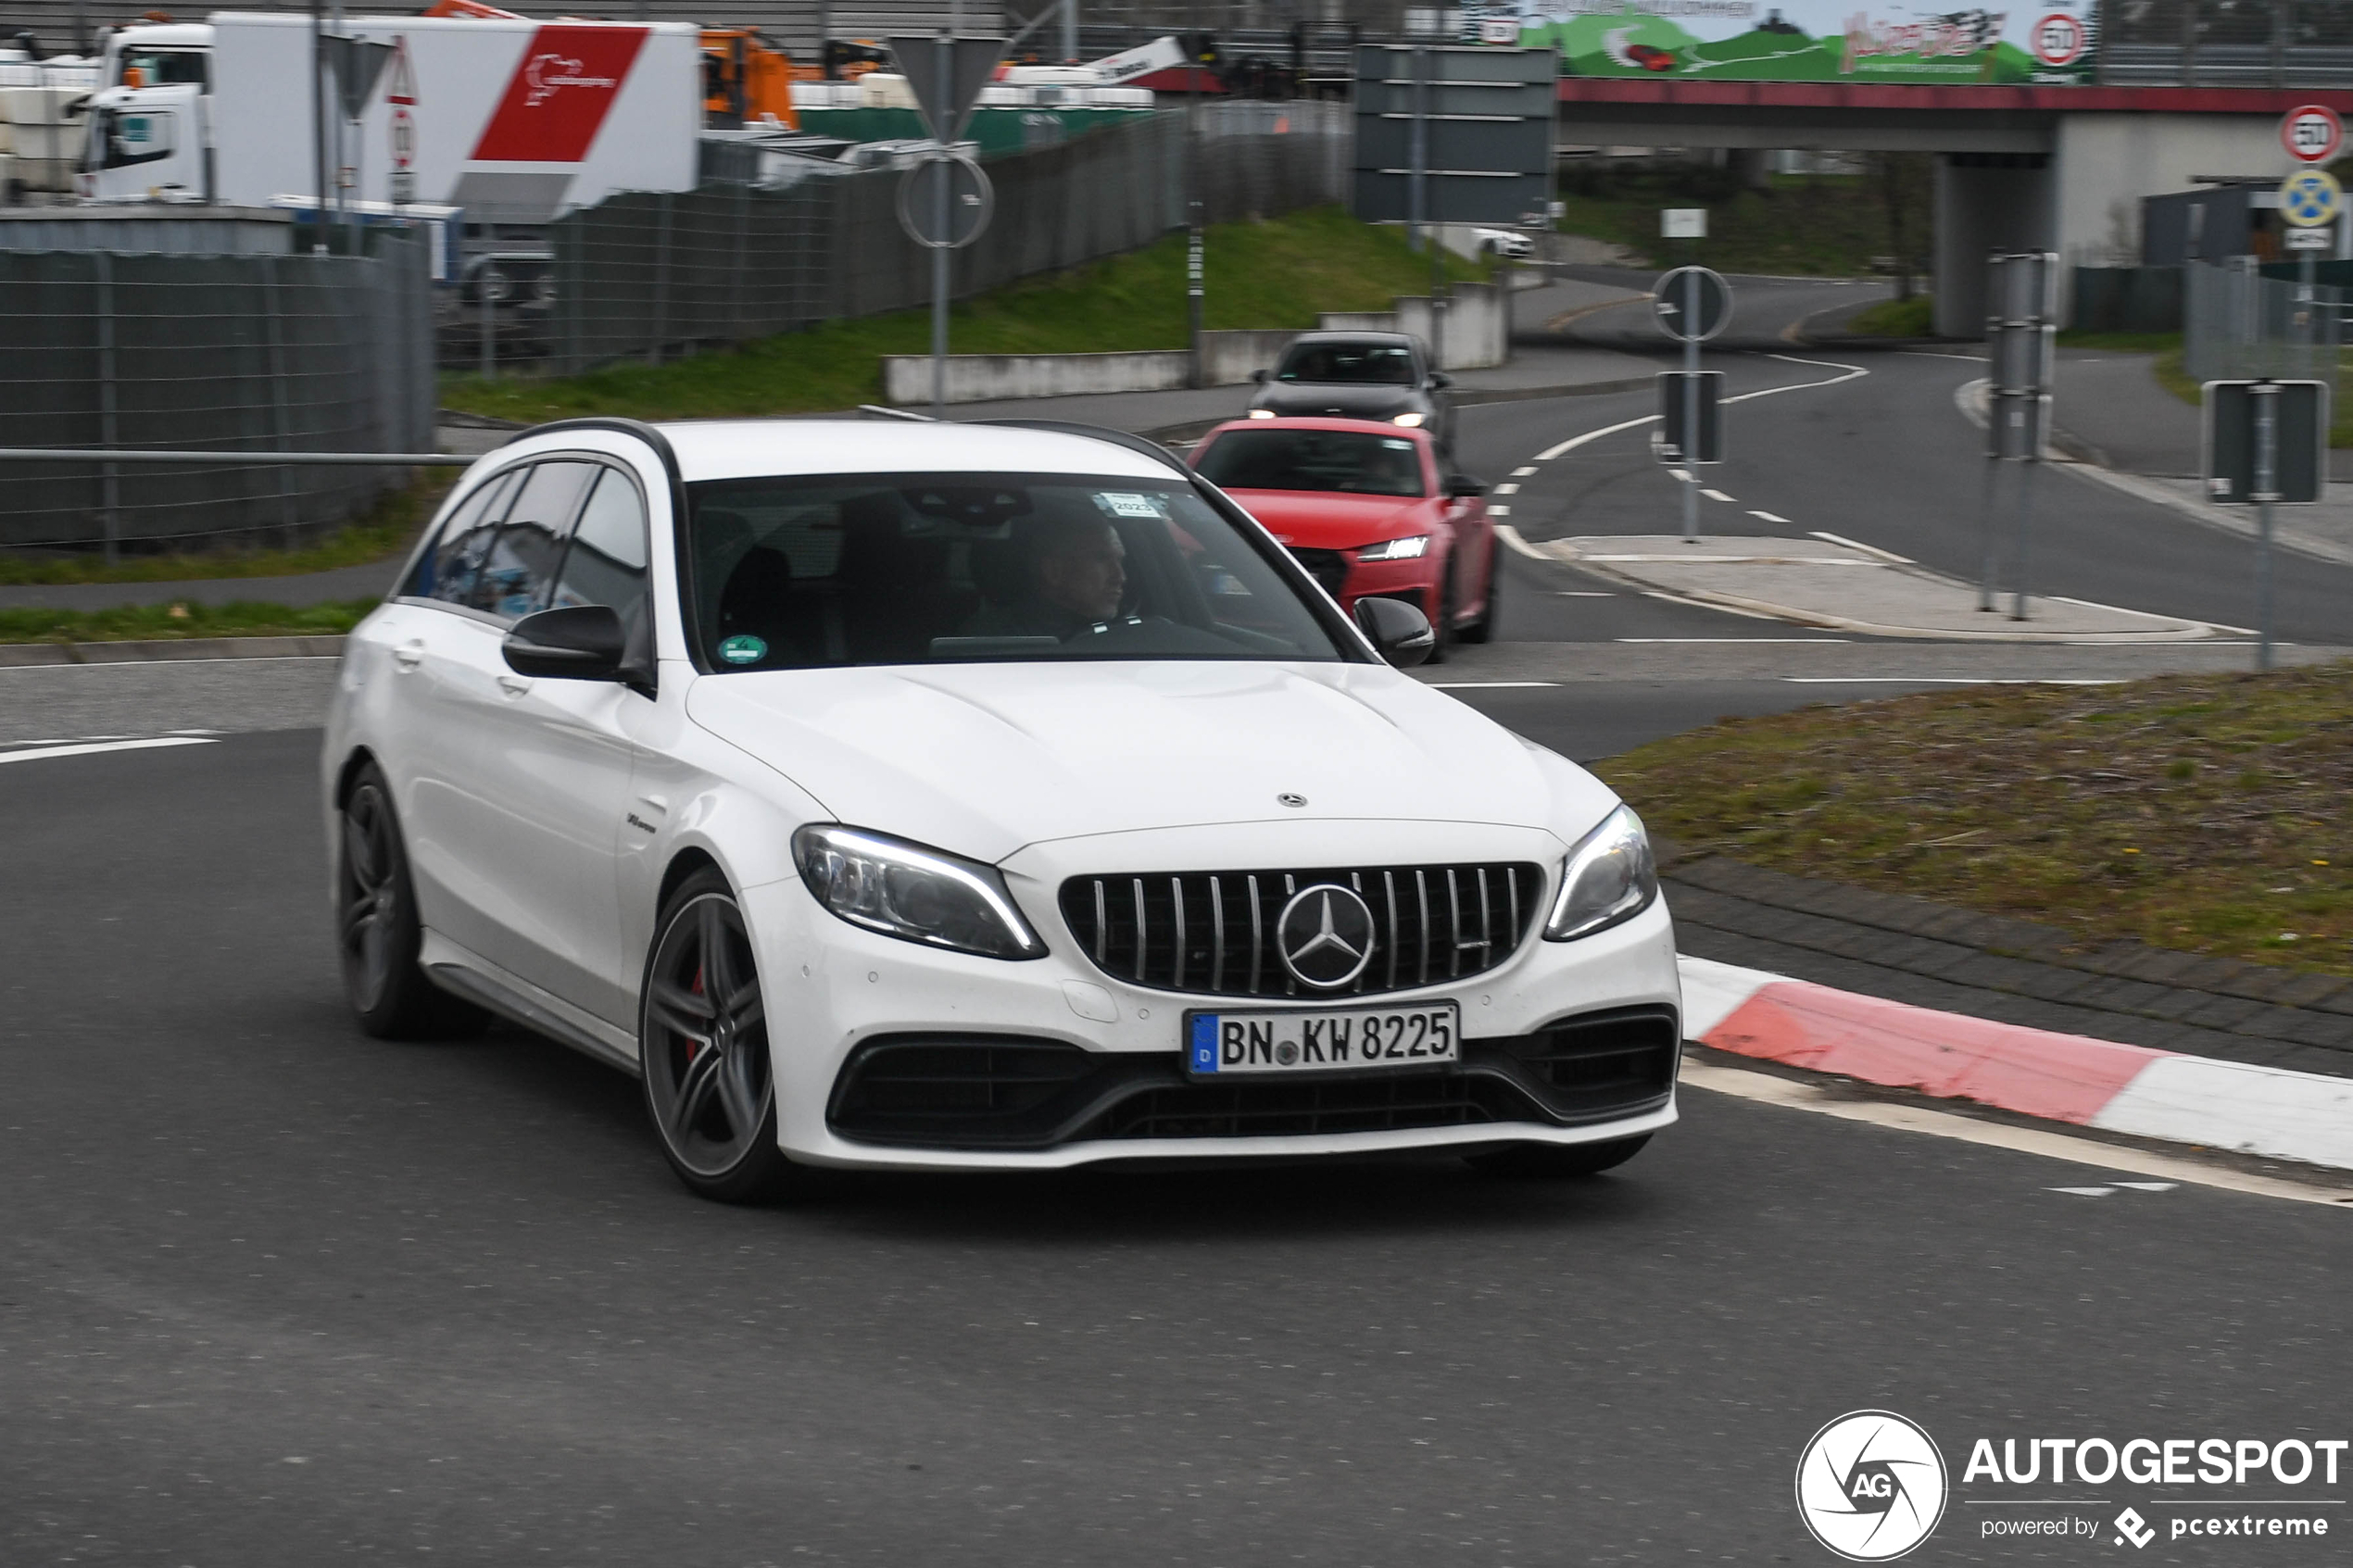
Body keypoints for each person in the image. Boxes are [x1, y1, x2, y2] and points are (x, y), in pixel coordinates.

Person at [965, 513, 1127, 639]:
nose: (1120, 577)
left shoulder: (1130, 632)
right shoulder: (992, 640)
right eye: (1101, 559)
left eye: (1119, 560)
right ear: (1053, 570)